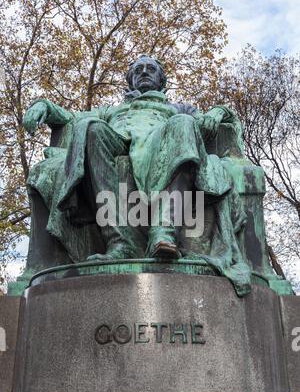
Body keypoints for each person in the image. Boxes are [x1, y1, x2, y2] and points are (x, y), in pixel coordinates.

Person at [23, 55, 251, 295]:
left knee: (184, 123)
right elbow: (70, 119)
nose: (144, 72)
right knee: (89, 127)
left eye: (151, 69)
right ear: (130, 81)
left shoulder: (178, 109)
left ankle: (164, 232)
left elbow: (210, 120)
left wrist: (218, 112)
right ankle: (120, 242)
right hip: (119, 141)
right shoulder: (112, 111)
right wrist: (45, 106)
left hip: (161, 144)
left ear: (162, 81)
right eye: (138, 70)